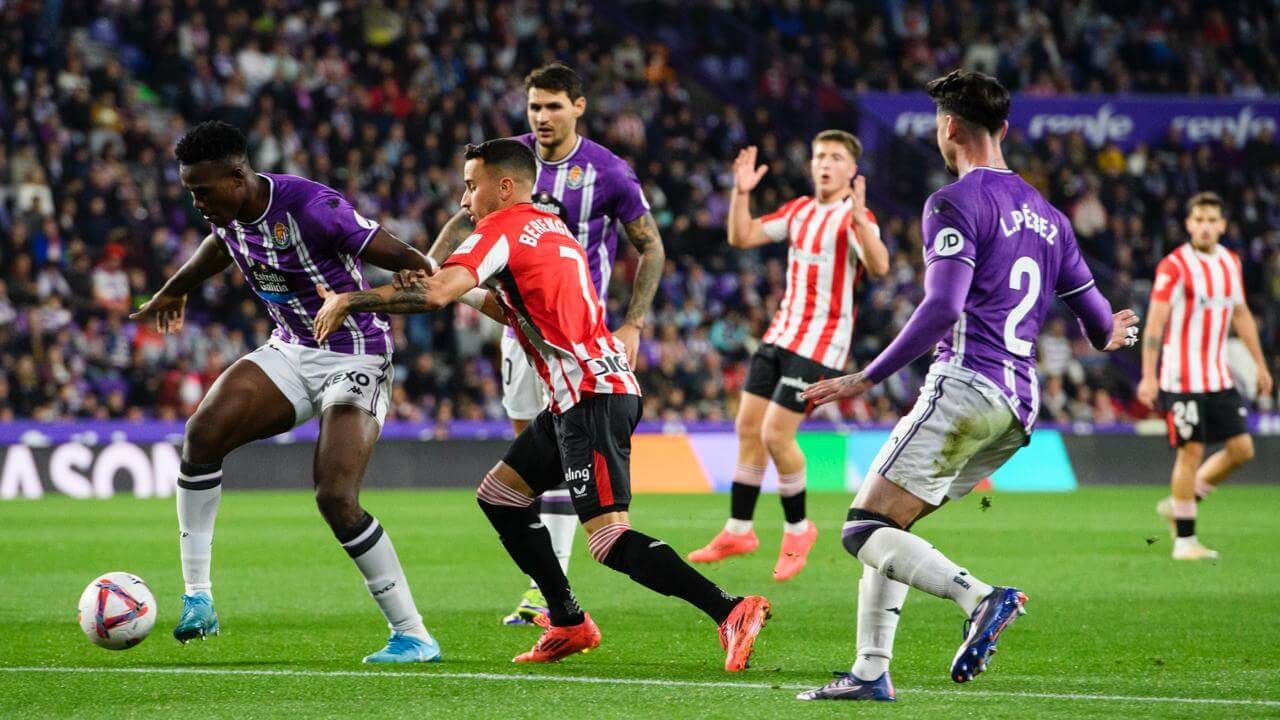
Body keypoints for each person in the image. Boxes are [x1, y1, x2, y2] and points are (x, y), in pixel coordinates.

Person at [312, 139, 769, 671]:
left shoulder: (499, 230)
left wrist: (351, 298)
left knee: (608, 539)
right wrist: (457, 289)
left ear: (504, 186)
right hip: (585, 392)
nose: (464, 200)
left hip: (590, 398)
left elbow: (434, 295)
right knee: (501, 496)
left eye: (470, 185)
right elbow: (513, 312)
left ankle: (730, 609)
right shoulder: (552, 229)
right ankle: (568, 619)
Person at [793, 69, 1139, 702]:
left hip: (966, 385)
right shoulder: (1050, 217)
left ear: (948, 126)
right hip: (1019, 407)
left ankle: (980, 598)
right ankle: (871, 670)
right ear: (1003, 128)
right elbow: (1098, 329)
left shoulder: (952, 202)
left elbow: (943, 307)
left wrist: (864, 379)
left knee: (860, 531)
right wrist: (1118, 331)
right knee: (890, 527)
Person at [130, 120, 441, 663]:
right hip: (292, 348)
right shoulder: (228, 215)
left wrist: (359, 297)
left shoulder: (313, 208)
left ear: (237, 176)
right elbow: (220, 245)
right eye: (190, 192)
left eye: (203, 191)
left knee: (335, 497)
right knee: (200, 436)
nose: (198, 203)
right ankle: (198, 598)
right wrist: (172, 290)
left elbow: (422, 272)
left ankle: (412, 634)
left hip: (356, 352)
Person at [427, 63, 665, 624]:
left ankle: (548, 592)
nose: (542, 117)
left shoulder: (608, 171)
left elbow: (649, 247)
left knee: (562, 447)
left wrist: (633, 323)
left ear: (578, 107)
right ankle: (553, 591)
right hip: (519, 324)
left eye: (553, 106)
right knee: (529, 459)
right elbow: (465, 227)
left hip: (579, 334)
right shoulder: (506, 165)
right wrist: (428, 266)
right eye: (535, 106)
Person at [687, 132, 889, 582]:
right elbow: (741, 236)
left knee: (776, 434)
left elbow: (879, 267)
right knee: (747, 429)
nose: (825, 163)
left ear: (850, 170)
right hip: (780, 334)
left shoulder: (854, 217)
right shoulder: (799, 211)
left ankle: (799, 528)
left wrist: (859, 220)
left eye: (836, 157)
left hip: (821, 343)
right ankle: (739, 529)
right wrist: (741, 192)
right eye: (820, 155)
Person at [1137, 192, 1272, 560]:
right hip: (1181, 377)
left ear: (1223, 225)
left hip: (1217, 374)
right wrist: (1149, 376)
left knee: (1242, 450)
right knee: (1191, 450)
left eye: (1212, 220)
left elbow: (1241, 314)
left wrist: (1260, 364)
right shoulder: (1174, 265)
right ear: (1188, 224)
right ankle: (1185, 542)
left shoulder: (1231, 262)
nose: (1206, 226)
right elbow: (1156, 321)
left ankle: (1182, 500)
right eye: (1199, 219)